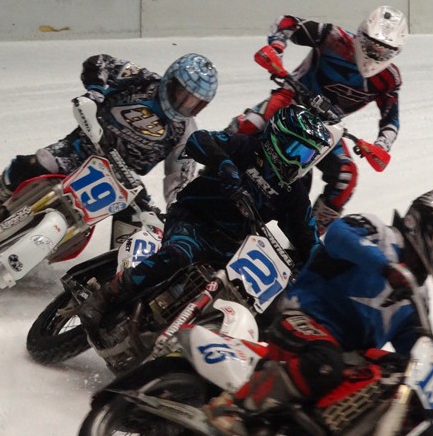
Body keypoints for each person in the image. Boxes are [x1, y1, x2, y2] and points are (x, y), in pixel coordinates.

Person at [205, 188, 433, 436]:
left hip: (350, 353)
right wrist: (385, 267)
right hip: (303, 319)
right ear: (428, 229)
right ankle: (233, 407)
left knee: (402, 382)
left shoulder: (418, 293)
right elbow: (338, 234)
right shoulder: (379, 233)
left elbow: (417, 344)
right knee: (324, 361)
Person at [75, 105, 334, 342]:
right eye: (297, 150)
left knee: (250, 302)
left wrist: (324, 272)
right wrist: (225, 165)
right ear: (279, 138)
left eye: (308, 155)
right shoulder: (245, 146)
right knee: (179, 254)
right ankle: (106, 296)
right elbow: (199, 139)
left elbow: (308, 238)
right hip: (193, 218)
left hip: (230, 247)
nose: (300, 161)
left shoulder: (293, 194)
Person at [0, 53, 219, 242]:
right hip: (82, 148)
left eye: (194, 103)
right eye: (182, 95)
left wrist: (177, 210)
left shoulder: (187, 132)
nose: (184, 105)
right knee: (35, 163)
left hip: (123, 180)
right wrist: (95, 91)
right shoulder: (141, 79)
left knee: (137, 228)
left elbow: (180, 177)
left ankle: (116, 278)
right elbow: (100, 62)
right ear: (170, 80)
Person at [227, 6, 407, 235]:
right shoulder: (334, 37)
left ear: (395, 52)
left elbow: (391, 119)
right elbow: (286, 21)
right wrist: (276, 48)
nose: (376, 54)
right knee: (248, 125)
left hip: (326, 128)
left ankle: (306, 239)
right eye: (372, 45)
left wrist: (380, 146)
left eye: (384, 51)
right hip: (291, 100)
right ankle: (209, 168)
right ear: (362, 35)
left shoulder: (389, 79)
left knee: (346, 177)